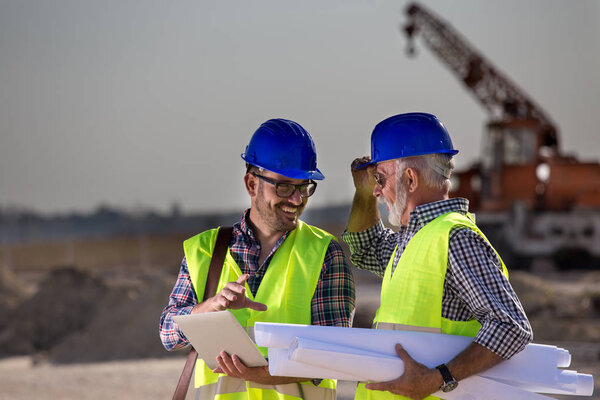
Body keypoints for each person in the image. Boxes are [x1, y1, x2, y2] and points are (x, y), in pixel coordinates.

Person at [160, 118, 355, 400]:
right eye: (285, 186)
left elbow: (333, 352)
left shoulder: (324, 252)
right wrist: (208, 308)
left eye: (304, 187)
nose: (297, 199)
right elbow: (168, 333)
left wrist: (257, 374)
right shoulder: (204, 250)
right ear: (252, 184)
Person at [341, 112, 532, 400]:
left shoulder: (456, 238)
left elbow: (510, 327)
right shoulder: (413, 238)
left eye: (380, 179)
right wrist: (364, 193)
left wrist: (439, 378)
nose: (377, 190)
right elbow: (365, 248)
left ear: (410, 179)